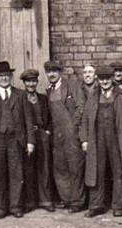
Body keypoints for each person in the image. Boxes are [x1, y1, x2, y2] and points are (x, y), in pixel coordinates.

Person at [0, 61, 35, 219]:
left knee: (17, 174)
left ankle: (16, 206)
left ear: (11, 77)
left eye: (6, 75)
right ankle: (1, 207)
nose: (4, 78)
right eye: (1, 76)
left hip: (16, 140)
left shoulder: (21, 95)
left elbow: (28, 121)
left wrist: (30, 142)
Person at [80, 65, 122, 218]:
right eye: (101, 78)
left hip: (118, 138)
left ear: (112, 78)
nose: (104, 81)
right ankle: (96, 205)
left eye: (107, 78)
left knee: (118, 170)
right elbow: (85, 118)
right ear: (98, 79)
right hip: (97, 138)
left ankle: (118, 205)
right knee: (96, 171)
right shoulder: (93, 95)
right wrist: (84, 139)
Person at [44, 61, 85, 213]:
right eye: (48, 72)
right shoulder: (49, 90)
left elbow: (81, 106)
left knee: (75, 167)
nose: (51, 74)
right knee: (60, 168)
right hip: (57, 134)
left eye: (54, 71)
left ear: (60, 72)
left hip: (71, 134)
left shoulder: (72, 85)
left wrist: (74, 126)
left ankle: (78, 202)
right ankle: (66, 199)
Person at [20, 69, 54, 213]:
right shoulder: (20, 98)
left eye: (33, 81)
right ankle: (30, 201)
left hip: (42, 134)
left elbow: (51, 118)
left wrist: (47, 131)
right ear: (24, 83)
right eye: (28, 81)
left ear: (37, 82)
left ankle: (45, 201)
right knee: (28, 168)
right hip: (28, 135)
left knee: (44, 168)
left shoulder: (43, 98)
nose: (31, 84)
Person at [75, 63, 99, 128]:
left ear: (96, 75)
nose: (87, 75)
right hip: (84, 126)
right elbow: (79, 108)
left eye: (90, 72)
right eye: (85, 72)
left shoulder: (100, 89)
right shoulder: (79, 89)